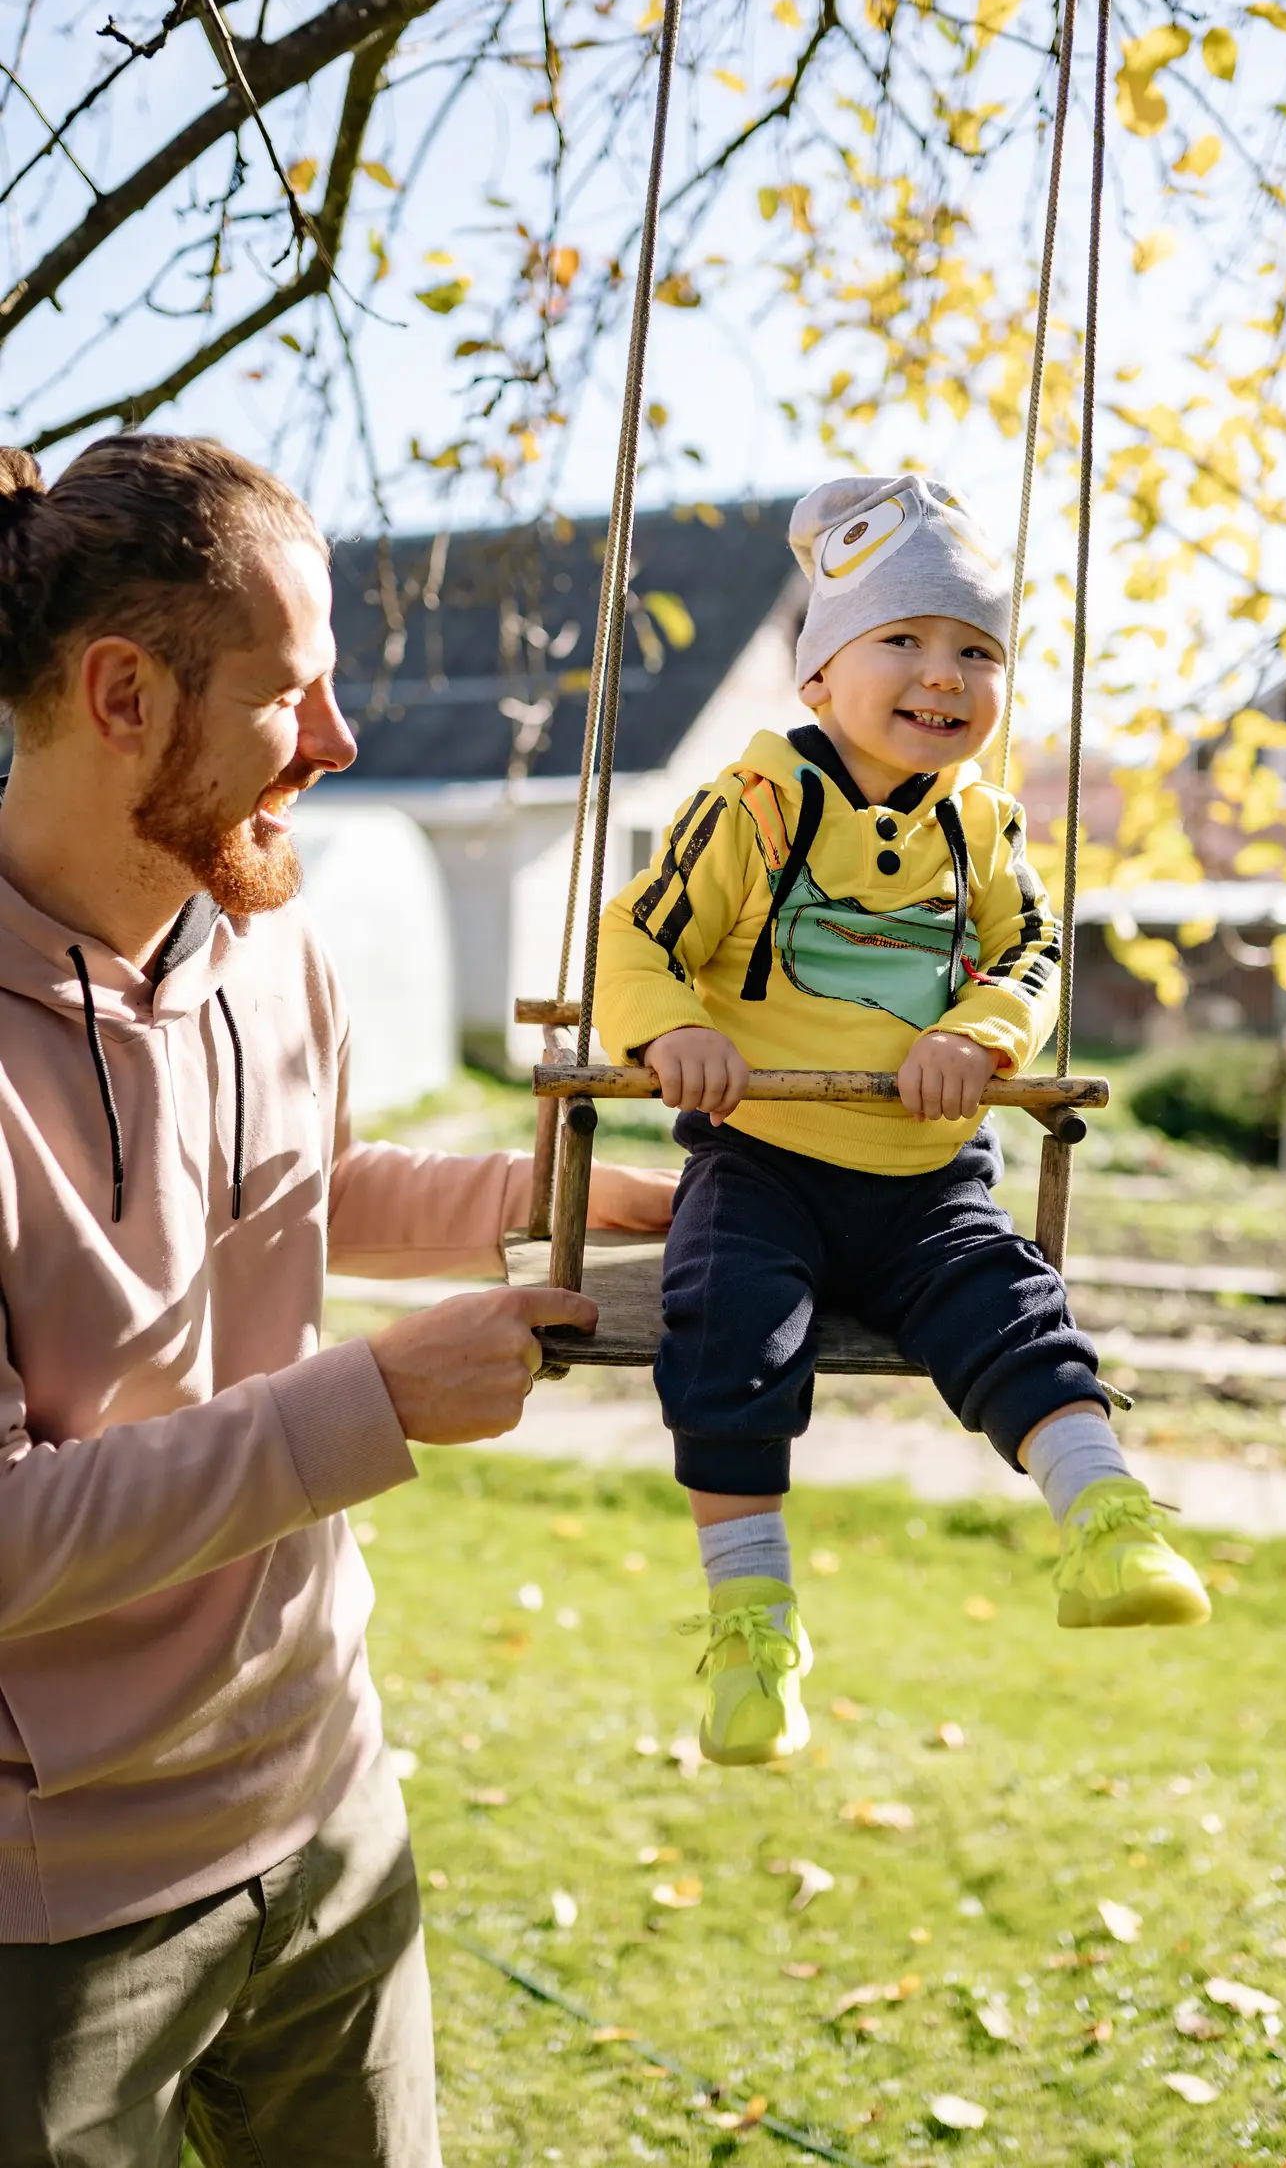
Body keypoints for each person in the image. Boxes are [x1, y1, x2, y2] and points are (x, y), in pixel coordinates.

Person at [0, 434, 674, 2167]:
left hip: (324, 1798)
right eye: (294, 691)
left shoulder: (266, 937)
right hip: (56, 1913)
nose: (341, 739)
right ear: (124, 693)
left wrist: (552, 1200)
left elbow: (291, 1190)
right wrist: (369, 1405)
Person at [597, 474, 1211, 1770]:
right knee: (726, 1330)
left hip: (928, 1174)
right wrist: (675, 1035)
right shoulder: (756, 804)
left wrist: (976, 1033)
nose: (945, 674)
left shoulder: (985, 827)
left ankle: (1107, 1520)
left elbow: (1033, 956)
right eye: (905, 640)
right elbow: (639, 942)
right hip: (763, 1158)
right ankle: (751, 1621)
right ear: (820, 674)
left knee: (1013, 1305)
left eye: (976, 650)